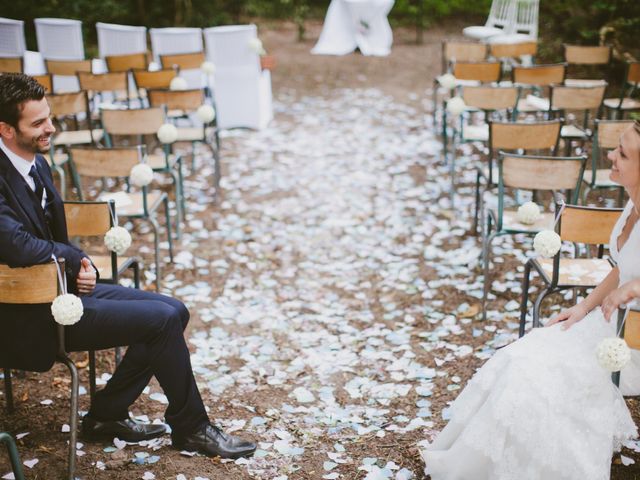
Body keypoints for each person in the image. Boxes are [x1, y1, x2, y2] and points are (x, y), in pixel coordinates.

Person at [0, 73, 256, 459]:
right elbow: (15, 245)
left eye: (49, 117)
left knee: (174, 309)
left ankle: (107, 415)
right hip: (26, 315)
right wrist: (72, 257)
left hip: (60, 292)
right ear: (5, 129)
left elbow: (53, 239)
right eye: (37, 123)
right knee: (160, 322)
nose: (50, 128)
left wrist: (81, 267)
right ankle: (191, 428)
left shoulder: (36, 165)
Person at [422, 120, 640, 479]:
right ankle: (485, 464)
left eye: (623, 153)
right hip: (606, 322)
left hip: (631, 341)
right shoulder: (631, 205)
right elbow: (621, 267)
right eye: (616, 147)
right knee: (521, 356)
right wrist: (583, 307)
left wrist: (634, 291)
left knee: (545, 377)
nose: (611, 155)